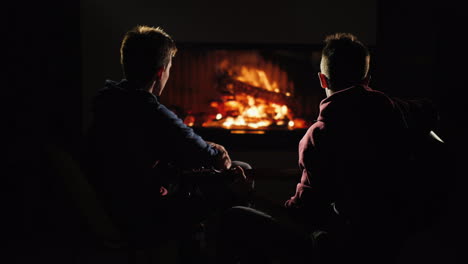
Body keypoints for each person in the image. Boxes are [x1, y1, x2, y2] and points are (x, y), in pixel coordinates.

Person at [216, 33, 447, 264]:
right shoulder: (397, 110)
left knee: (234, 218)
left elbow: (301, 217)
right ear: (367, 79)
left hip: (340, 248)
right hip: (393, 238)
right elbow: (429, 111)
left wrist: (249, 195)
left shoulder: (319, 136)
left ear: (322, 80)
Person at [83, 25, 250, 250]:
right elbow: (211, 158)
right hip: (140, 216)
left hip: (111, 205)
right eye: (170, 68)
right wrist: (219, 154)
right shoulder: (147, 109)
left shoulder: (111, 100)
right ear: (160, 72)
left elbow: (173, 143)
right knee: (237, 177)